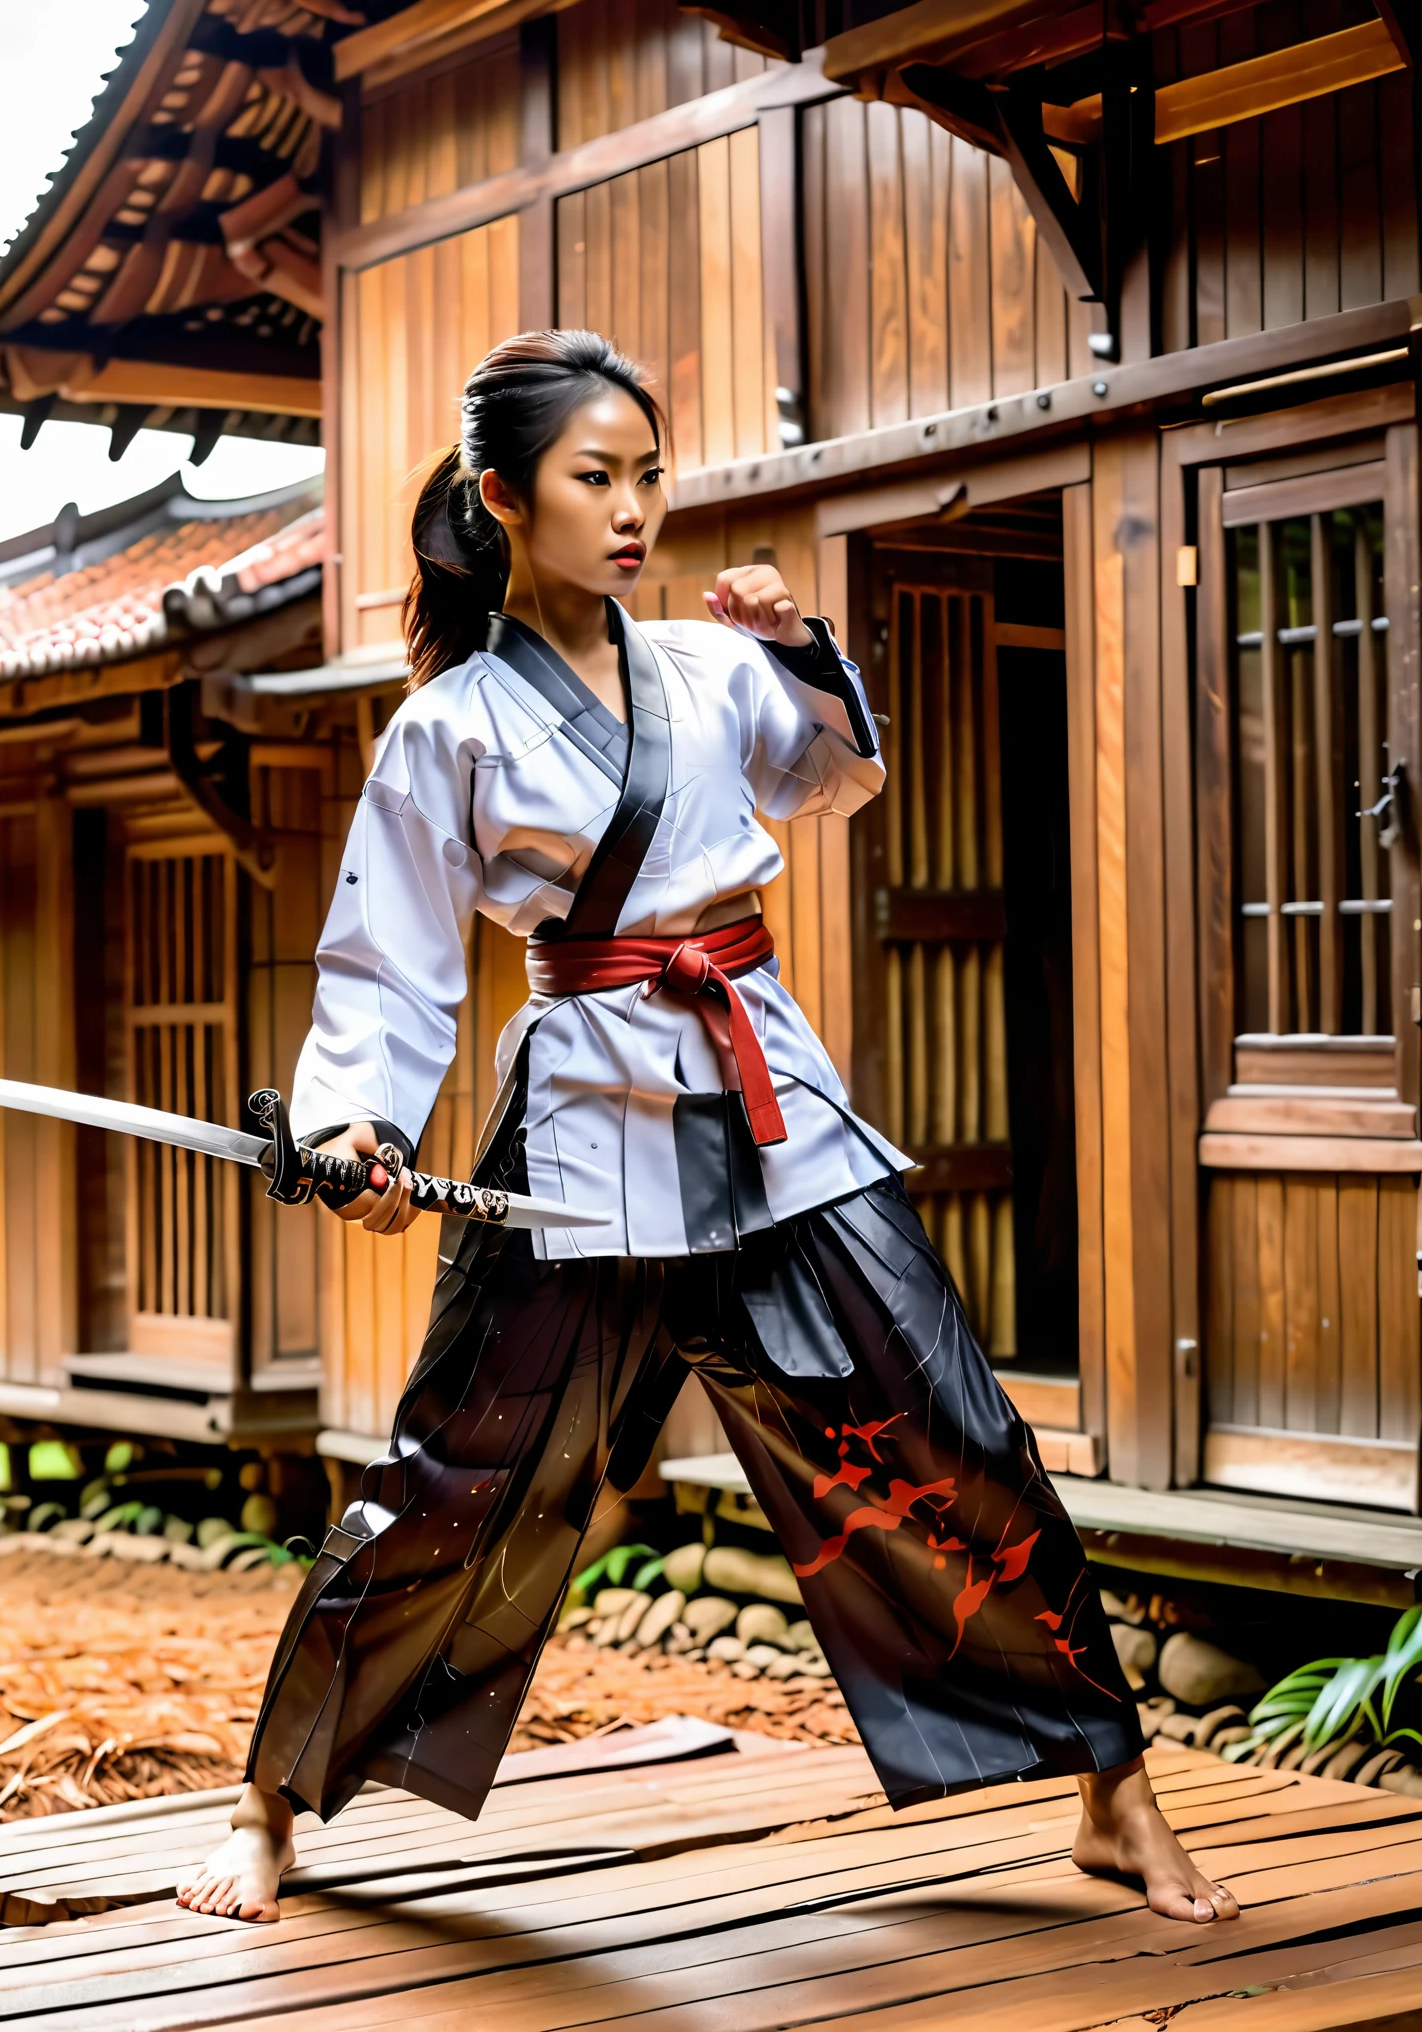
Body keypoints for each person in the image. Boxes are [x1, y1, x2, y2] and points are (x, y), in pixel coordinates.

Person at [176, 330, 1236, 1929]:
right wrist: (364, 1132)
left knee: (947, 1422)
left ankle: (1112, 1788)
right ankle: (273, 1798)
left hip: (769, 1094)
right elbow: (386, 963)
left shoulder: (704, 663)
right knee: (462, 1474)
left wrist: (803, 644)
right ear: (502, 496)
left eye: (648, 476)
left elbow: (836, 779)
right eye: (594, 477)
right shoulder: (449, 727)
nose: (633, 509)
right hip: (584, 1119)